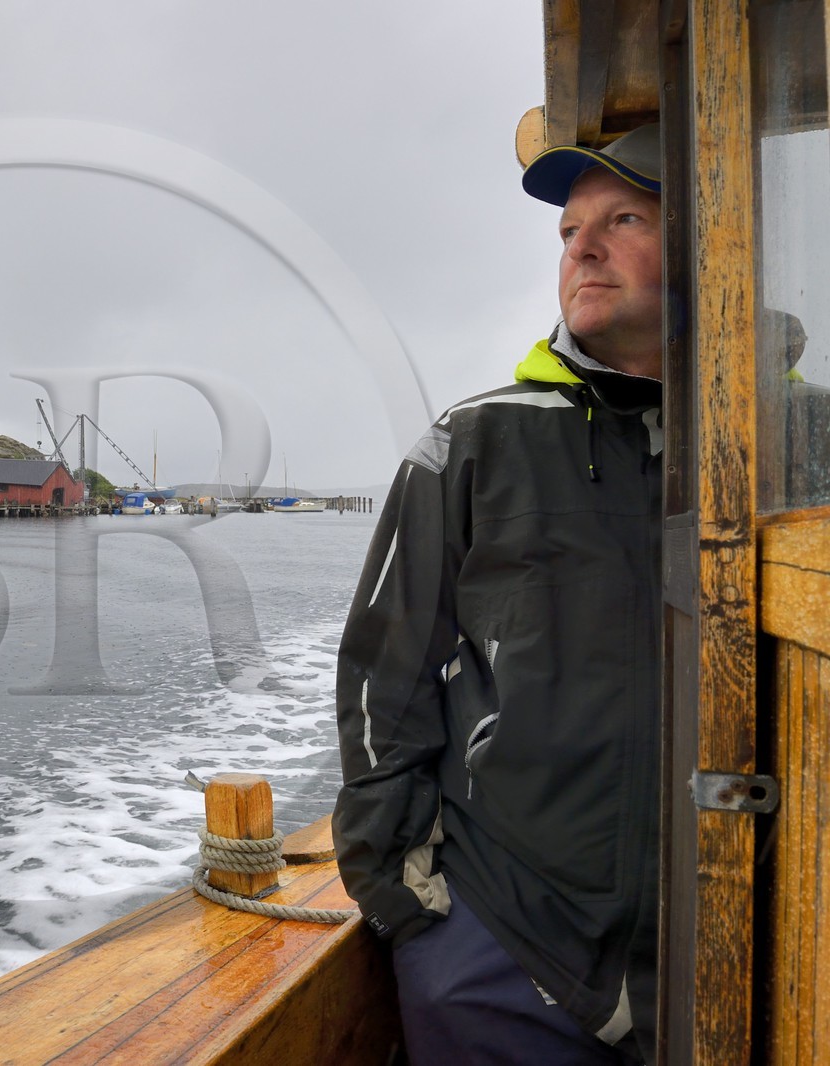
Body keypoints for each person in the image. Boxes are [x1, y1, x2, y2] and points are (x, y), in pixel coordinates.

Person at [332, 122, 665, 1065]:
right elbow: (384, 672)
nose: (582, 248)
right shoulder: (473, 443)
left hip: (748, 933)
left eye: (624, 219)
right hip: (503, 947)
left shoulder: (796, 441)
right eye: (568, 231)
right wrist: (405, 905)